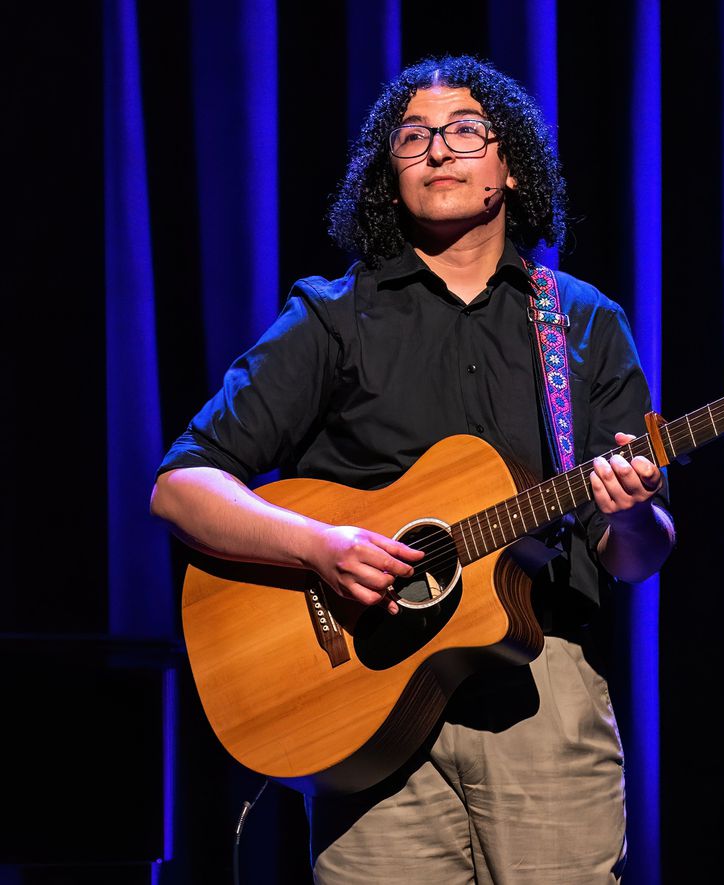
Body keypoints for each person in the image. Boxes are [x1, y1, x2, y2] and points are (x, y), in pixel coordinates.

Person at [151, 54, 675, 883]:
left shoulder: (580, 320)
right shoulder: (332, 315)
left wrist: (632, 509)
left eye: (466, 131)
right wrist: (320, 547)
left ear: (509, 165)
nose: (438, 150)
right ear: (387, 173)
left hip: (542, 697)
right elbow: (181, 483)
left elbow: (635, 556)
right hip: (360, 699)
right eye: (413, 136)